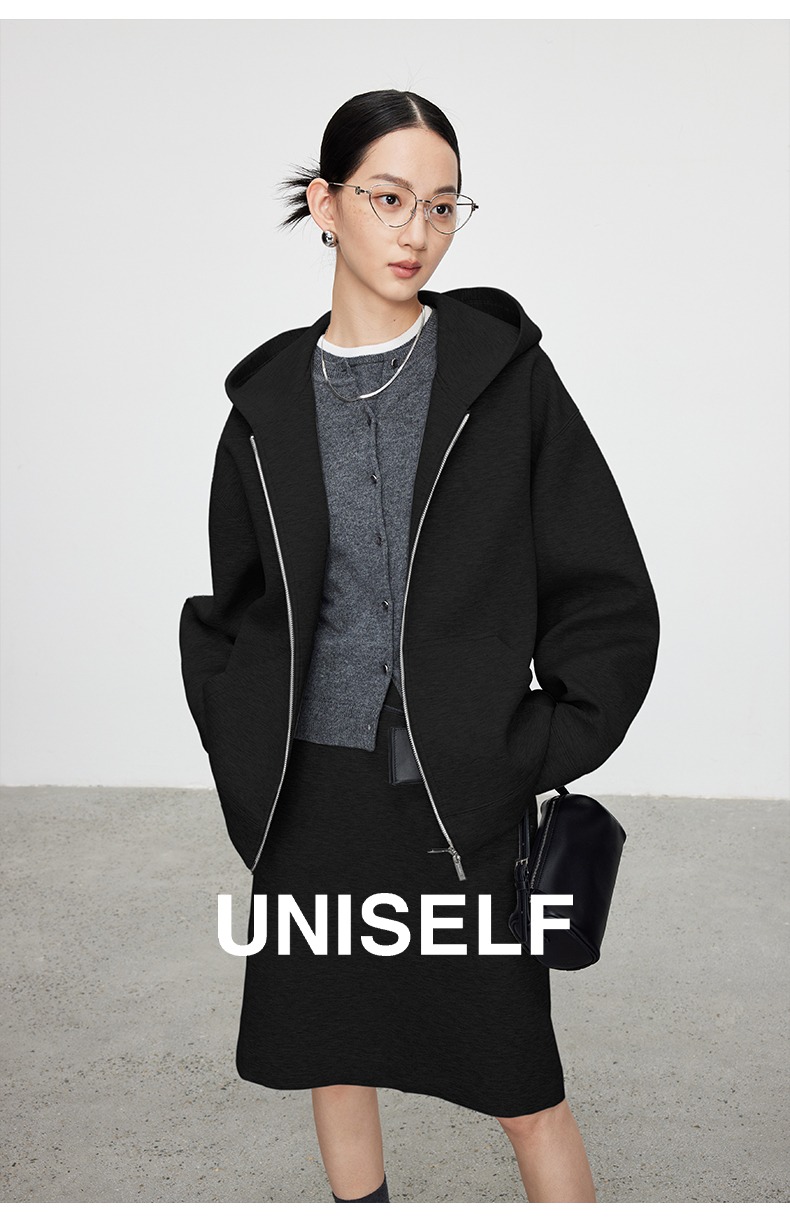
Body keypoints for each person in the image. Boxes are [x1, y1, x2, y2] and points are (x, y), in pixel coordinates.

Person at [178, 88, 660, 1204]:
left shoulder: (502, 376)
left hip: (460, 794)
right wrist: (246, 742)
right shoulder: (265, 406)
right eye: (389, 199)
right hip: (314, 798)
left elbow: (603, 585)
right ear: (326, 205)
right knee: (332, 1053)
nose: (418, 231)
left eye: (443, 206)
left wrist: (532, 743)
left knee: (522, 1085)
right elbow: (238, 603)